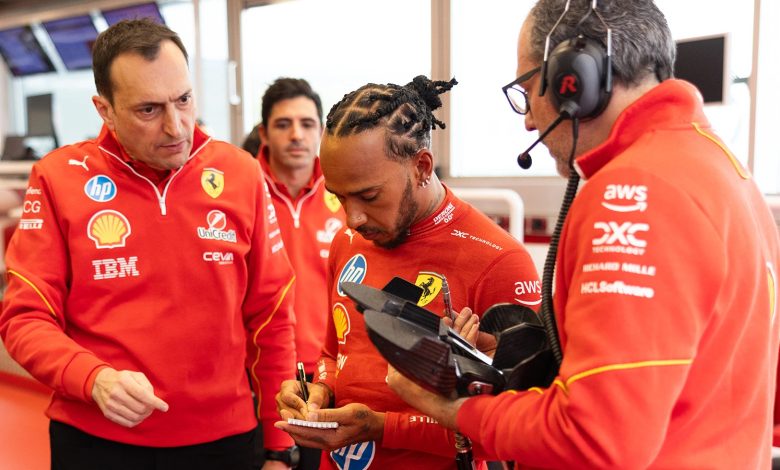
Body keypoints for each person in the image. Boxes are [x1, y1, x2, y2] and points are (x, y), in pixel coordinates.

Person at [387, 1, 780, 468]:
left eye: (527, 89)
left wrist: (456, 410)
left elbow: (597, 437)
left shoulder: (633, 193)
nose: (528, 120)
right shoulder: (722, 168)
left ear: (572, 77)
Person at [0, 19, 297, 470]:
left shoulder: (240, 172)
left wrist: (279, 446)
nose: (175, 127)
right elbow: (25, 318)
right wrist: (92, 378)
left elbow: (271, 318)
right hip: (96, 440)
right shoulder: (59, 177)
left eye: (184, 100)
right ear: (105, 110)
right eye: (148, 110)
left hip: (225, 442)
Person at [274, 75, 542, 469]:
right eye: (339, 196)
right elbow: (334, 352)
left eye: (369, 196)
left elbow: (518, 431)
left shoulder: (499, 262)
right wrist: (318, 391)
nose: (352, 218)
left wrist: (383, 427)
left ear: (421, 167)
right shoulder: (347, 241)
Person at [256, 77, 346, 469]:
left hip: (330, 374)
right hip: (257, 372)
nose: (296, 135)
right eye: (283, 124)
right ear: (264, 133)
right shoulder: (241, 190)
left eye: (307, 124)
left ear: (321, 131)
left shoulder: (347, 189)